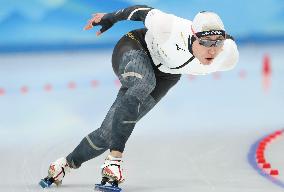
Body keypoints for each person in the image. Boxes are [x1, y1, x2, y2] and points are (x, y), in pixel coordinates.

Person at [41, 5, 239, 188]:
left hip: (167, 76)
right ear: (192, 36)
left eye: (217, 43)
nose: (212, 50)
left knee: (109, 132)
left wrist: (222, 43)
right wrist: (110, 18)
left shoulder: (227, 55)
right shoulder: (170, 27)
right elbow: (140, 11)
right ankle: (114, 162)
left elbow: (225, 44)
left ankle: (63, 165)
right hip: (136, 48)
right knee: (144, 83)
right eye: (204, 42)